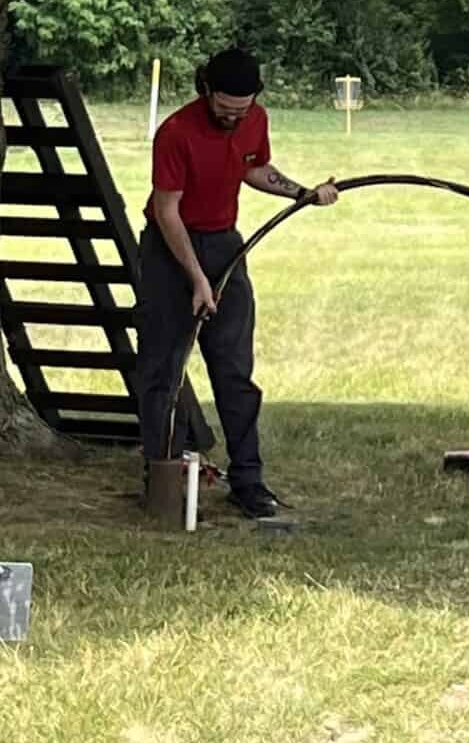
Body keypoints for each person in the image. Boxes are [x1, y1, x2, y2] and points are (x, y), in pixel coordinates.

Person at [136, 47, 338, 520]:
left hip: (226, 245)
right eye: (225, 108)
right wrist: (197, 280)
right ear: (205, 90)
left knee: (234, 371)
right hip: (171, 250)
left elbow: (253, 168)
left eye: (241, 110)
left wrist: (302, 192)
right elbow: (167, 212)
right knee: (163, 369)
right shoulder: (175, 133)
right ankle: (163, 480)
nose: (233, 117)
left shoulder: (254, 119)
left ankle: (248, 481)